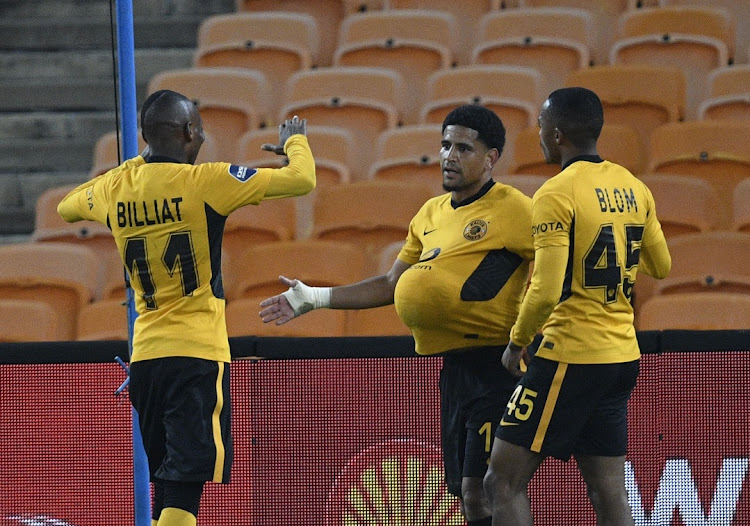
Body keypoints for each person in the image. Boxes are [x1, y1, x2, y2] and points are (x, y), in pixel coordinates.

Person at [259, 104, 534, 525]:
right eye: (445, 145)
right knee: (466, 496)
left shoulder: (514, 208)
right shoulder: (429, 214)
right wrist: (314, 298)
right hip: (454, 370)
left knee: (489, 489)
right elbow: (391, 284)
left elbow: (557, 262)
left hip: (497, 365)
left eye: (463, 148)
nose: (449, 156)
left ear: (491, 158)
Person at [57, 89, 316, 526]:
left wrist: (137, 165)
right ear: (189, 132)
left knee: (169, 487)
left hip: (146, 362)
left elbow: (66, 207)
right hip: (196, 354)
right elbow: (302, 179)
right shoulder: (207, 181)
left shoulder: (115, 187)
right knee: (183, 490)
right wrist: (296, 142)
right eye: (198, 129)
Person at [482, 87, 672, 526]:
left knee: (501, 483)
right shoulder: (634, 187)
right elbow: (661, 265)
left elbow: (546, 288)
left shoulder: (556, 192)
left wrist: (516, 343)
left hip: (571, 353)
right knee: (608, 487)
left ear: (559, 134)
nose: (541, 137)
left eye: (544, 129)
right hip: (621, 356)